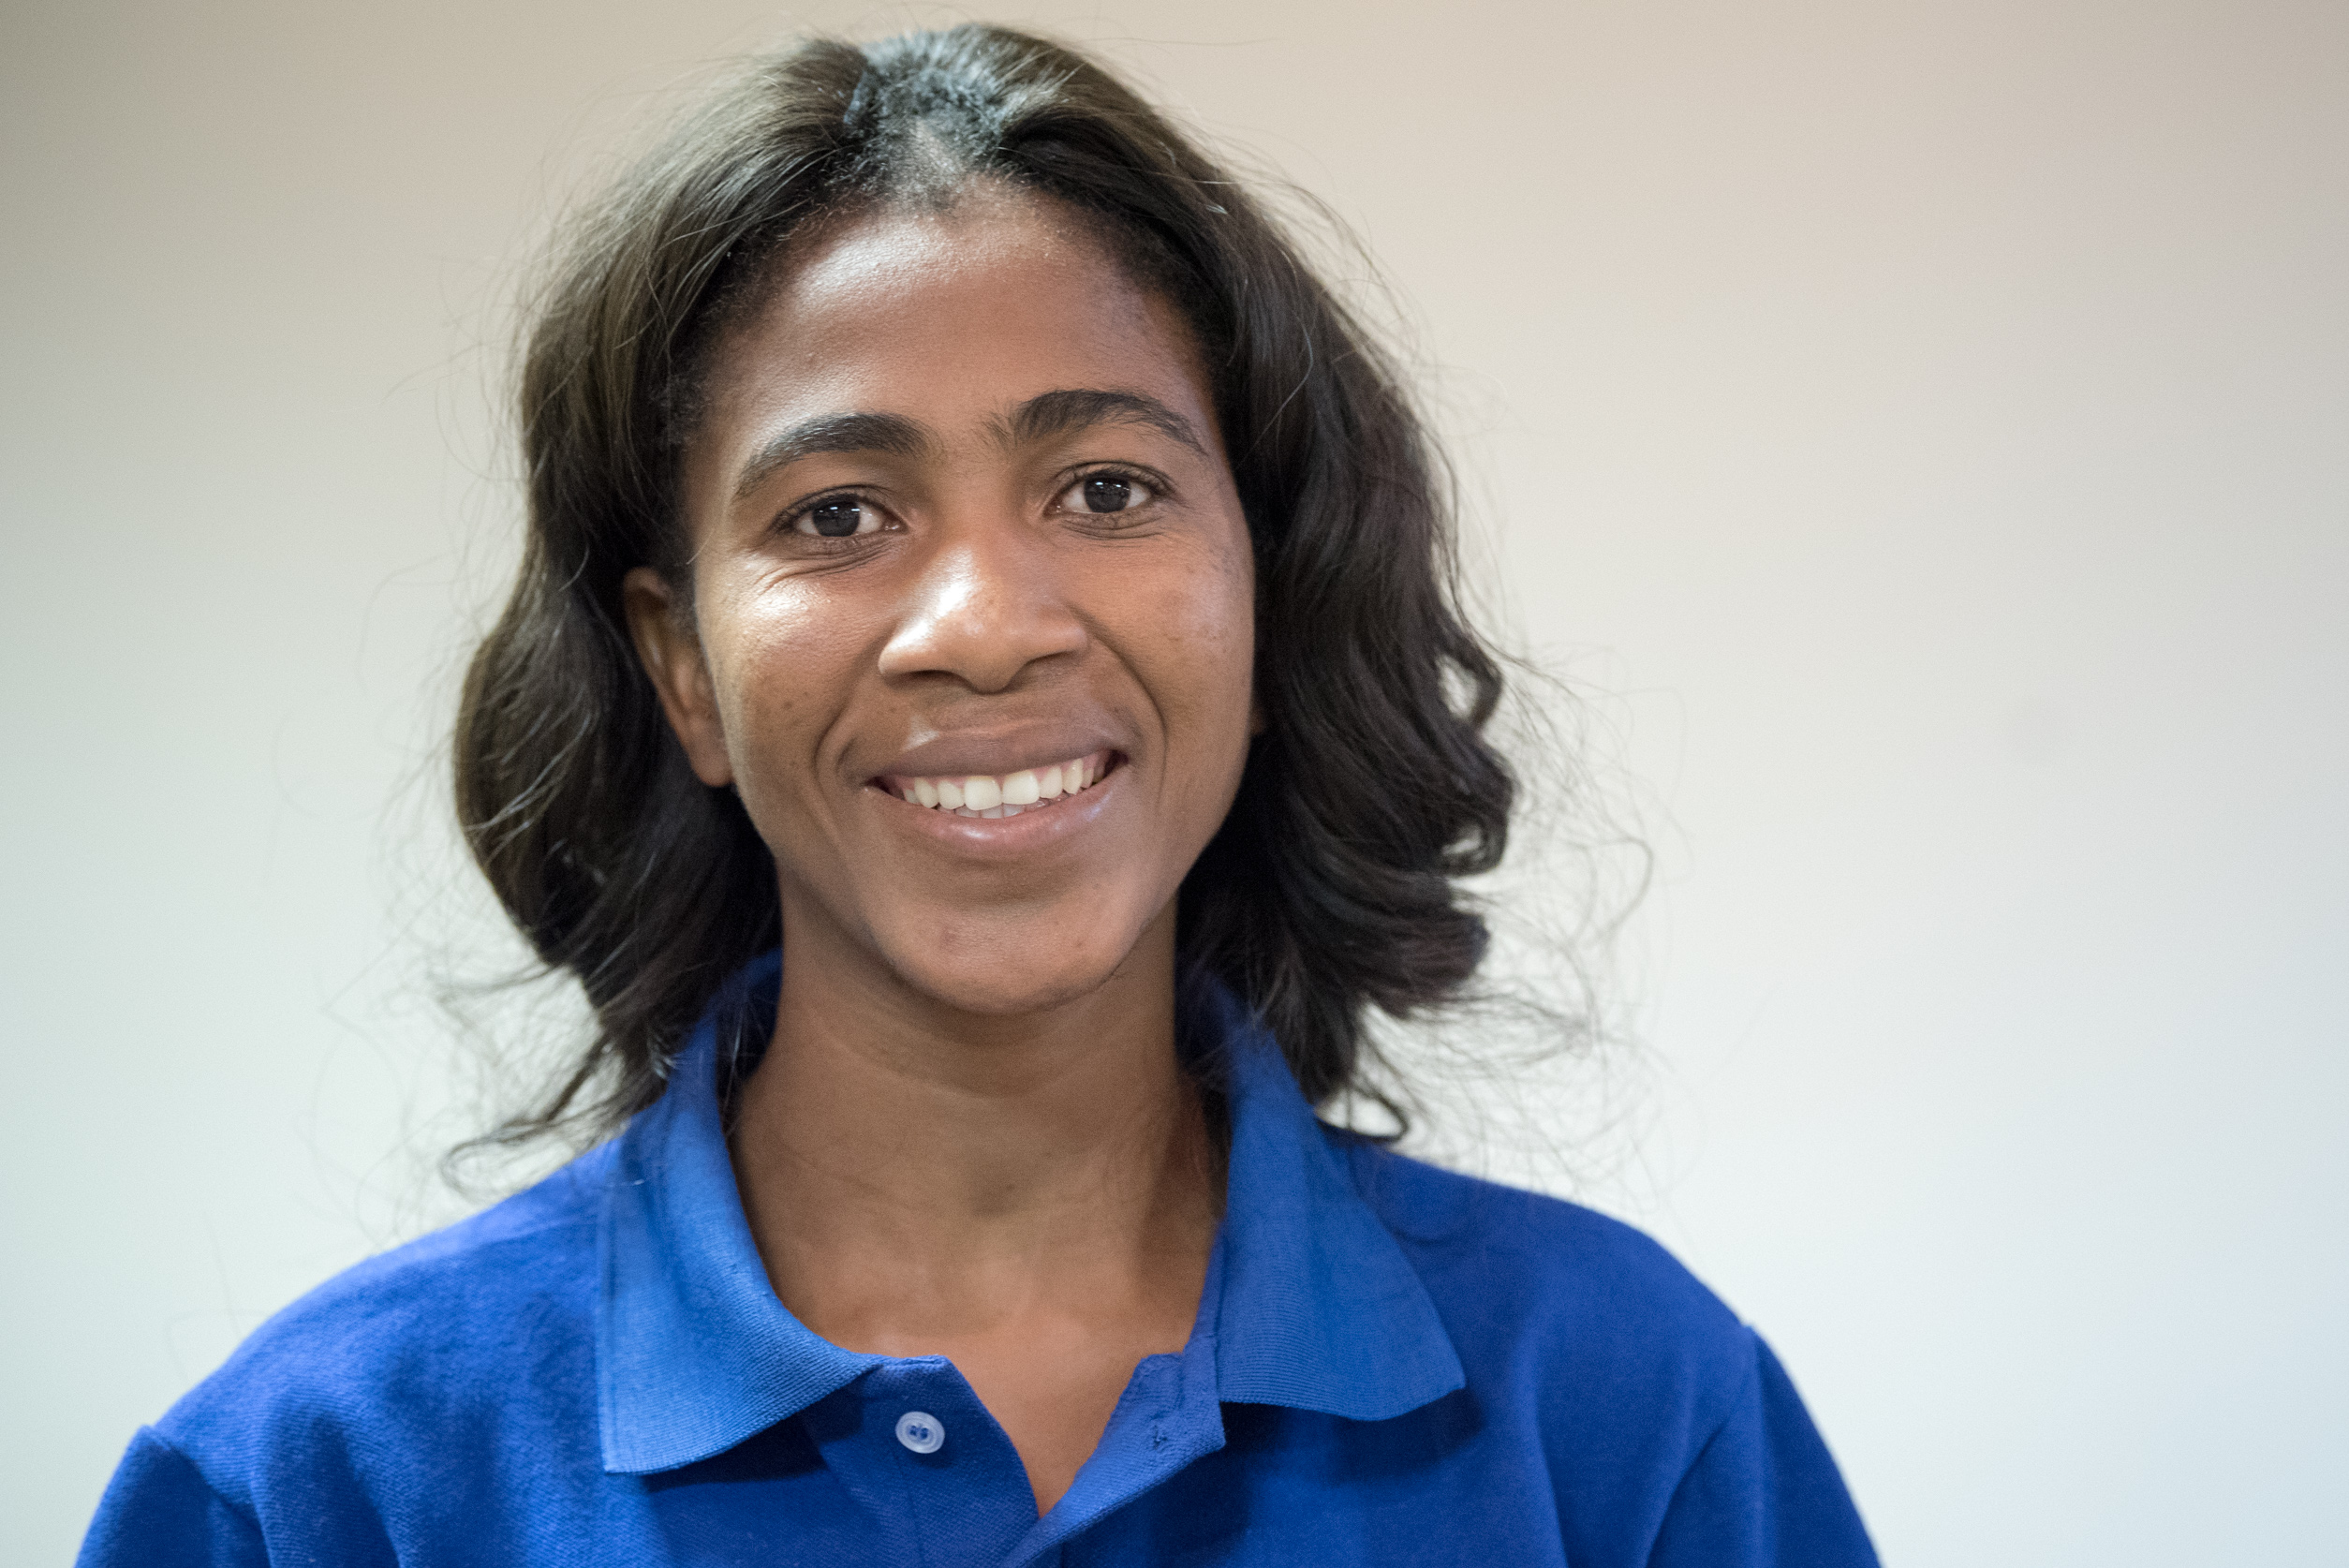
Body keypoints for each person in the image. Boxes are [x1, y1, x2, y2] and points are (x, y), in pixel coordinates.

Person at [79, 24, 1879, 1566]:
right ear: (683, 665)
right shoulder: (312, 1488)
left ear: (1268, 592)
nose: (985, 627)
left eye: (1104, 488)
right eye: (837, 515)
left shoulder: (1629, 1418)